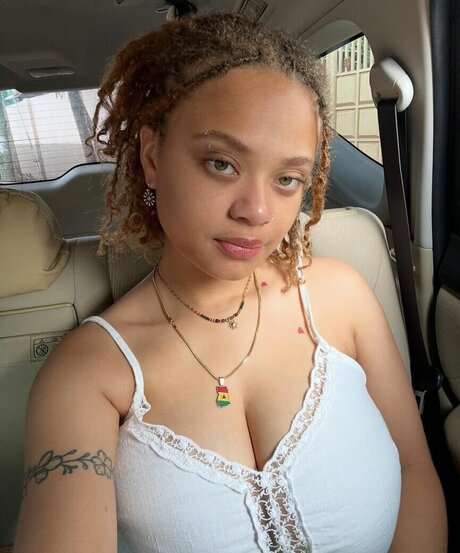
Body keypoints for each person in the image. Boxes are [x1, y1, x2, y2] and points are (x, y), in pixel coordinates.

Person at [14, 12, 447, 553]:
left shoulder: (343, 297)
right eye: (221, 164)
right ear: (152, 157)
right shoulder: (87, 374)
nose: (257, 211)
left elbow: (413, 467)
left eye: (287, 179)